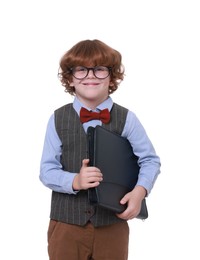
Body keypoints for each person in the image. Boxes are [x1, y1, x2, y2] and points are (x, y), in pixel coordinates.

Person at [39, 39, 161, 260]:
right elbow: (47, 171)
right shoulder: (57, 118)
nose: (90, 76)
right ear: (70, 78)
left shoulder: (127, 118)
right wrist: (75, 180)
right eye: (81, 70)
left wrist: (139, 192)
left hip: (113, 224)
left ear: (112, 77)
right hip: (66, 225)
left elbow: (150, 160)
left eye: (99, 69)